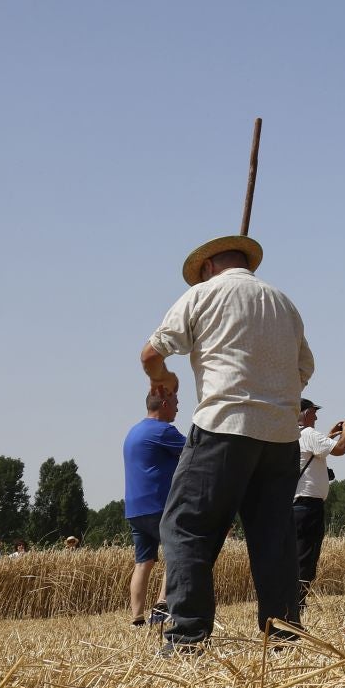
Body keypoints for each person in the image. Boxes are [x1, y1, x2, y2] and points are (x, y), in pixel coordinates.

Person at [141, 233, 313, 653]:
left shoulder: (202, 295)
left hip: (222, 426)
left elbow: (150, 354)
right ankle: (283, 633)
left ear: (207, 267)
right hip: (280, 436)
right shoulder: (282, 302)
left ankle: (187, 636)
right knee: (274, 538)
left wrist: (163, 379)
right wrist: (273, 395)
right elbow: (304, 369)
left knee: (185, 527)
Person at [123, 386, 185, 627]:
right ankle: (162, 606)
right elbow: (195, 451)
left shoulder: (133, 432)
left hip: (135, 508)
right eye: (176, 402)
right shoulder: (163, 431)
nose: (178, 407)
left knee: (143, 562)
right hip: (159, 505)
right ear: (164, 404)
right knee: (177, 553)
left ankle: (137, 619)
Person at [292, 398, 345, 607]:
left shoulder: (292, 435)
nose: (316, 417)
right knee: (307, 556)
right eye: (314, 412)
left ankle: (292, 600)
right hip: (309, 507)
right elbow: (341, 449)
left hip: (294, 506)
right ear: (305, 413)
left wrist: (329, 435)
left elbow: (311, 452)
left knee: (295, 554)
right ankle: (298, 603)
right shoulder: (309, 434)